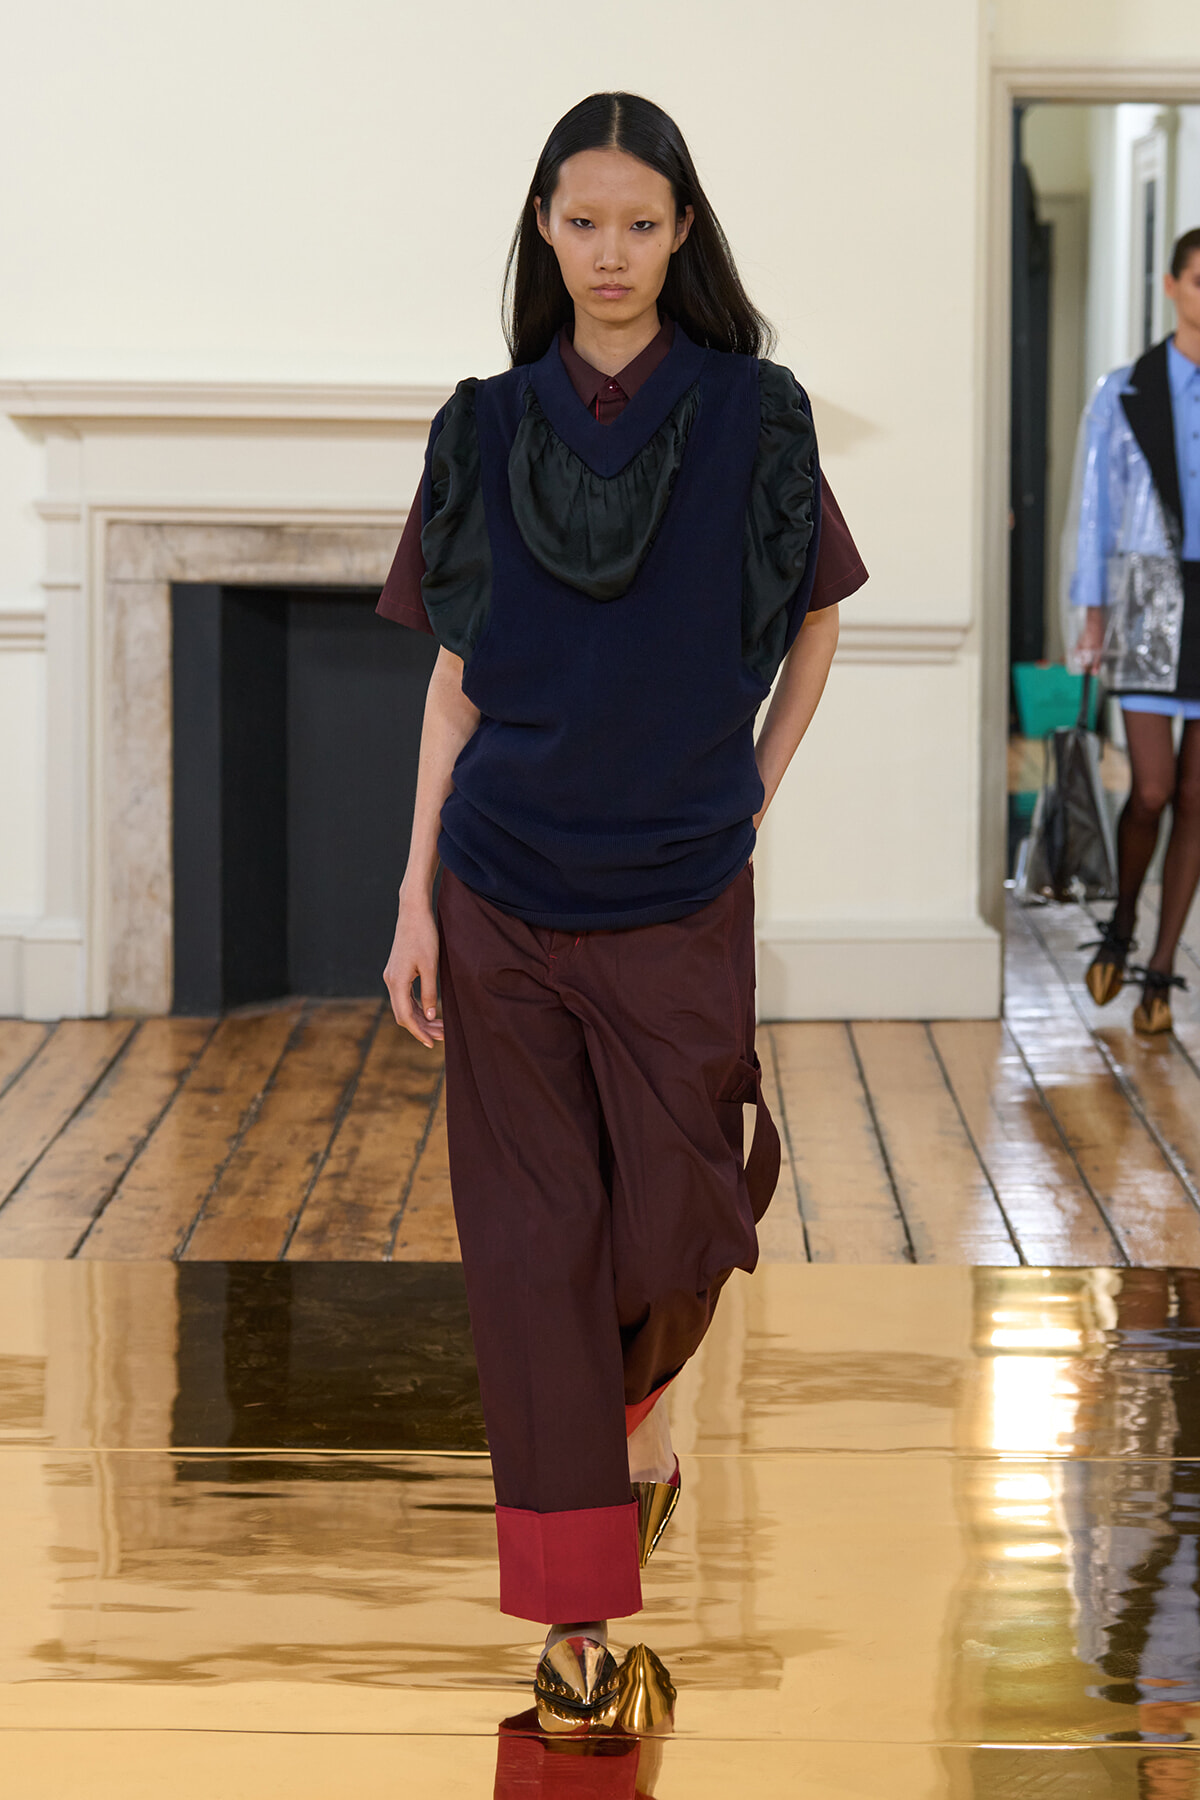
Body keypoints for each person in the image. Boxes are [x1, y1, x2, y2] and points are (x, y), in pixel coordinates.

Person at [378, 91, 866, 1727]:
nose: (608, 252)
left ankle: (635, 1410)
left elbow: (815, 631)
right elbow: (455, 687)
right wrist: (412, 900)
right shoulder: (484, 423)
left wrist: (750, 794)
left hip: (676, 892)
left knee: (677, 1218)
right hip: (501, 889)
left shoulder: (756, 413)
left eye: (640, 224)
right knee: (529, 1253)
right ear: (542, 227)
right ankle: (576, 1622)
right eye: (580, 222)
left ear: (682, 234)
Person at [1069, 227, 1200, 1034]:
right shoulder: (1124, 392)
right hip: (1147, 596)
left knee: (1197, 796)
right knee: (1150, 789)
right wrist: (1090, 613)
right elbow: (1095, 514)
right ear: (1173, 286)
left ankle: (1159, 969)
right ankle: (1121, 925)